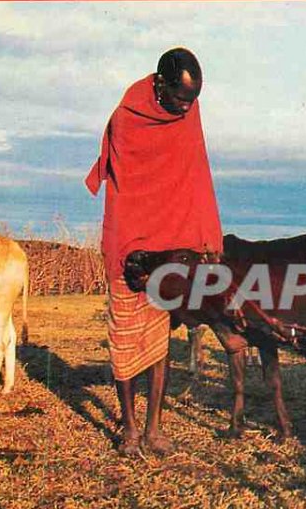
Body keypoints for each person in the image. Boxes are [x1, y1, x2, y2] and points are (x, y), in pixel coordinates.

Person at [85, 47, 223, 456]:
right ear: (159, 85)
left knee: (159, 339)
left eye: (192, 100)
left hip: (171, 244)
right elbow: (128, 188)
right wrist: (133, 247)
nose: (185, 107)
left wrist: (205, 237)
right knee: (125, 339)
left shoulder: (188, 112)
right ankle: (128, 428)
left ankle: (154, 428)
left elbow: (195, 173)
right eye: (180, 98)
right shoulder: (127, 118)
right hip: (131, 242)